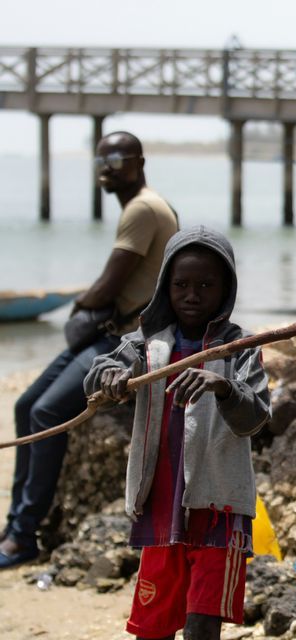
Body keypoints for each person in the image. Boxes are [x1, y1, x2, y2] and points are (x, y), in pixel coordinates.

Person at [1, 131, 178, 569]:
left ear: (139, 161)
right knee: (26, 405)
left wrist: (81, 306)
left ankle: (24, 537)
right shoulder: (147, 206)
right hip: (110, 331)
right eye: (100, 160)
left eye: (116, 158)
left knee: (45, 414)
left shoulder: (142, 208)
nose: (106, 168)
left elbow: (110, 283)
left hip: (125, 340)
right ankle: (13, 526)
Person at [84, 226, 270, 640]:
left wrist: (222, 386)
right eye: (181, 284)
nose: (192, 295)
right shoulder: (146, 345)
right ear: (165, 286)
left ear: (226, 289)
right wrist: (110, 376)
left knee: (202, 625)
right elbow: (96, 377)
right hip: (161, 504)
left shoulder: (239, 348)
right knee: (153, 628)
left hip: (219, 507)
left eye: (206, 285)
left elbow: (255, 417)